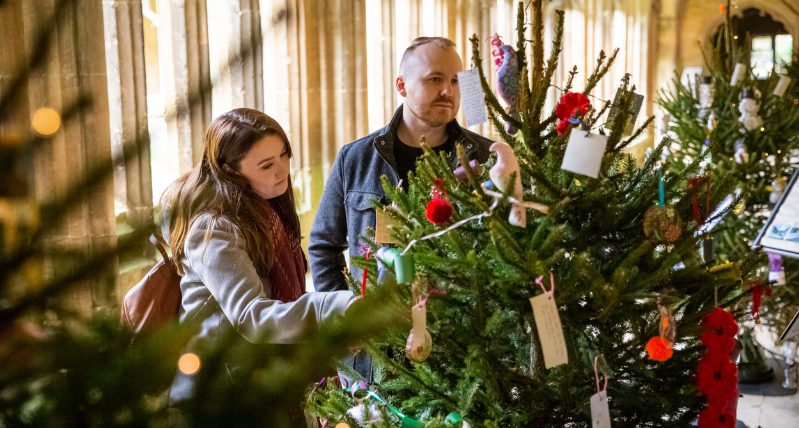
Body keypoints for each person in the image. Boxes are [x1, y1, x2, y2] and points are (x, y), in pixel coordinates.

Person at [308, 37, 494, 380]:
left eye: (455, 80)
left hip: (459, 351)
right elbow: (322, 246)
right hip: (376, 353)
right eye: (434, 79)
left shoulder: (485, 159)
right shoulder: (356, 158)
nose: (448, 91)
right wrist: (348, 315)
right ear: (402, 86)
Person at [159, 108, 357, 404]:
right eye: (266, 165)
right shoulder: (213, 229)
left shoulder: (268, 207)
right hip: (221, 390)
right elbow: (253, 316)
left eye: (284, 154)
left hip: (262, 376)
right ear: (229, 171)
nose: (283, 170)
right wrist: (337, 305)